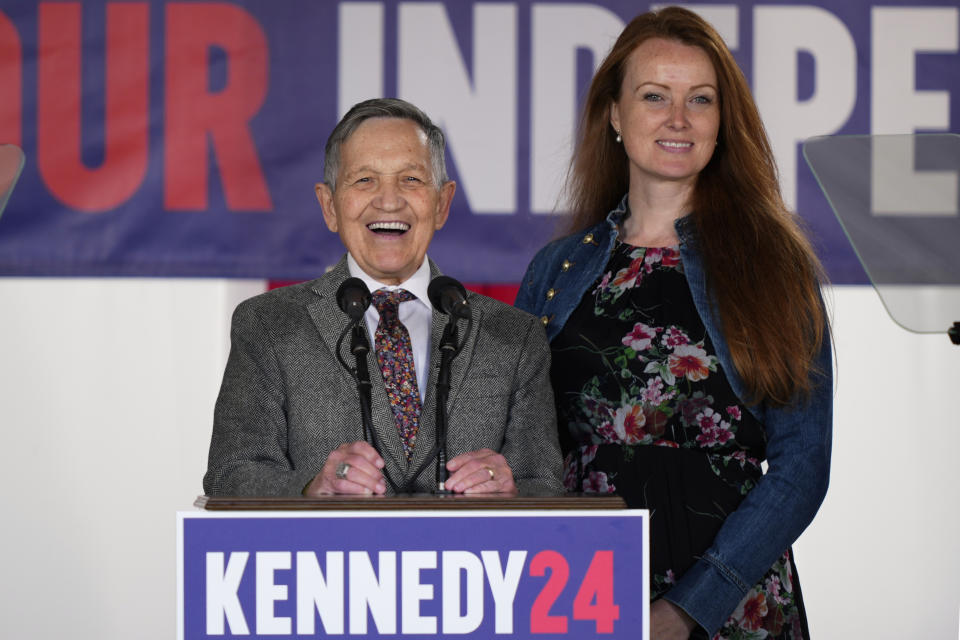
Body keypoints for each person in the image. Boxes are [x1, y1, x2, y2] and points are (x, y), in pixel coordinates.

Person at [515, 7, 832, 640]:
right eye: (654, 95)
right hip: (581, 592)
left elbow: (803, 467)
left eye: (701, 99)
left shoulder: (776, 265)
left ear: (722, 121)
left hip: (733, 608)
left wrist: (690, 607)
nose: (678, 119)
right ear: (614, 113)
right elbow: (516, 443)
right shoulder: (556, 267)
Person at [204, 98, 562, 497]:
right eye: (364, 180)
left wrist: (512, 491)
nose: (389, 200)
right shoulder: (269, 324)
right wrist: (311, 489)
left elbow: (544, 484)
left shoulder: (514, 336)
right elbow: (230, 475)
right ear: (329, 206)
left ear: (442, 203)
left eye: (411, 179)